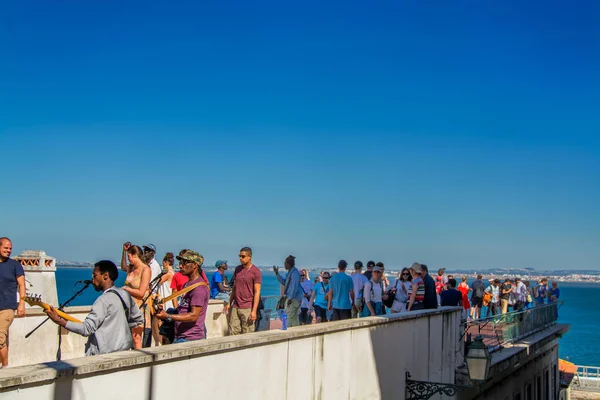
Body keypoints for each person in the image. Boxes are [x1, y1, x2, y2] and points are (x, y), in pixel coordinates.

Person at [45, 260, 143, 356]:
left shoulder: (103, 301)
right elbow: (138, 318)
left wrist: (59, 321)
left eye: (95, 275)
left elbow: (86, 329)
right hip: (123, 352)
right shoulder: (124, 294)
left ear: (105, 276)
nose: (92, 280)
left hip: (104, 355)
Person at [156, 250, 209, 342]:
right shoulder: (187, 284)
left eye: (184, 263)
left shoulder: (199, 289)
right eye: (180, 263)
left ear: (195, 265)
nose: (180, 266)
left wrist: (168, 316)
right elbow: (183, 308)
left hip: (190, 337)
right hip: (180, 335)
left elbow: (194, 316)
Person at [224, 247, 262, 335]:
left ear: (250, 257)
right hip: (236, 306)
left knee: (247, 334)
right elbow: (234, 287)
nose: (241, 258)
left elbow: (257, 292)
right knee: (233, 332)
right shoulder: (238, 269)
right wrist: (230, 303)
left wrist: (254, 311)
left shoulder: (255, 272)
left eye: (243, 256)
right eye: (240, 256)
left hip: (248, 307)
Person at [0, 237, 26, 369]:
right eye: (6, 248)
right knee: (3, 339)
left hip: (7, 307)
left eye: (10, 248)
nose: (8, 250)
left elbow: (22, 285)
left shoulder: (15, 265)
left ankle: (5, 368)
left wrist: (22, 304)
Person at [121, 244, 151, 349]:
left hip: (140, 306)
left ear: (135, 255)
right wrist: (123, 252)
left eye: (129, 257)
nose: (129, 260)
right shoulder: (131, 268)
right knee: (127, 337)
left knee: (136, 338)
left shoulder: (145, 269)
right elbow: (123, 267)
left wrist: (127, 289)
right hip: (128, 305)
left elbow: (141, 292)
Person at [274, 255, 302, 328]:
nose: (284, 265)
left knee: (288, 315)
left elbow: (294, 287)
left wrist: (290, 298)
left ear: (288, 264)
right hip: (293, 298)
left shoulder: (295, 273)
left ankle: (286, 329)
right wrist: (277, 274)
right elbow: (284, 282)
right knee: (294, 317)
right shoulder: (290, 273)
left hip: (293, 298)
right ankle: (295, 330)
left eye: (285, 263)